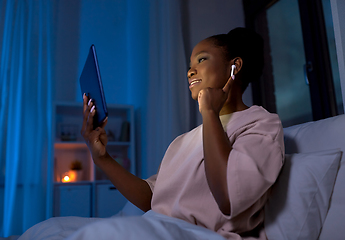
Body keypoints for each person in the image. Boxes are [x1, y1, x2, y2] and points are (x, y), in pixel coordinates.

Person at [18, 27, 284, 240]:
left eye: (202, 59)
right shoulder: (185, 141)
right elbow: (152, 198)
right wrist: (102, 158)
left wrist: (210, 112)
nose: (190, 70)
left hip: (200, 233)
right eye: (189, 64)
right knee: (48, 228)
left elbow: (230, 197)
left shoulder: (261, 124)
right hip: (158, 224)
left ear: (234, 67)